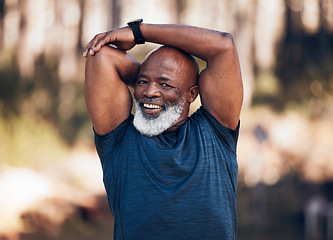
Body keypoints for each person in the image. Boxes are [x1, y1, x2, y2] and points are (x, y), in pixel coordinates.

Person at [83, 20, 243, 240]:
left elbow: (223, 46)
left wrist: (138, 32)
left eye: (165, 84)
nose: (149, 92)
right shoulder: (119, 140)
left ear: (192, 94)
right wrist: (156, 79)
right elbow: (100, 55)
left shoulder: (216, 132)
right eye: (142, 82)